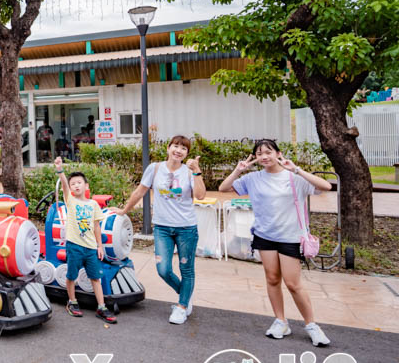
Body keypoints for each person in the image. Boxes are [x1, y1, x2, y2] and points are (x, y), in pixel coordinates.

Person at [219, 139, 333, 346]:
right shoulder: (253, 178)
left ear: (278, 153)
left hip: (290, 237)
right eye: (259, 153)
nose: (264, 156)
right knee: (272, 279)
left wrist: (296, 169)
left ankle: (312, 325)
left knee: (293, 283)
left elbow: (326, 186)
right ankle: (280, 321)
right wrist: (238, 170)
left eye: (268, 152)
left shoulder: (293, 177)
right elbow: (223, 188)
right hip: (265, 236)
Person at [112, 135, 205, 324]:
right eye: (176, 146)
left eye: (183, 149)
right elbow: (139, 191)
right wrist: (123, 210)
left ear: (187, 153)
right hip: (162, 227)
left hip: (186, 228)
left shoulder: (188, 172)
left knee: (186, 269)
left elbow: (201, 196)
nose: (178, 151)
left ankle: (181, 307)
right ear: (168, 148)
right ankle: (185, 295)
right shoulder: (154, 169)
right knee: (163, 269)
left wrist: (196, 172)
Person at [54, 156, 117, 324]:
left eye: (79, 182)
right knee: (71, 276)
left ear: (86, 186)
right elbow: (65, 187)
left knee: (95, 277)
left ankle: (101, 306)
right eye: (73, 183)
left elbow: (97, 227)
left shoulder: (93, 205)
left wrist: (100, 246)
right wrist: (60, 170)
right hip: (74, 246)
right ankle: (72, 302)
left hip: (90, 248)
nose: (75, 185)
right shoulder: (71, 201)